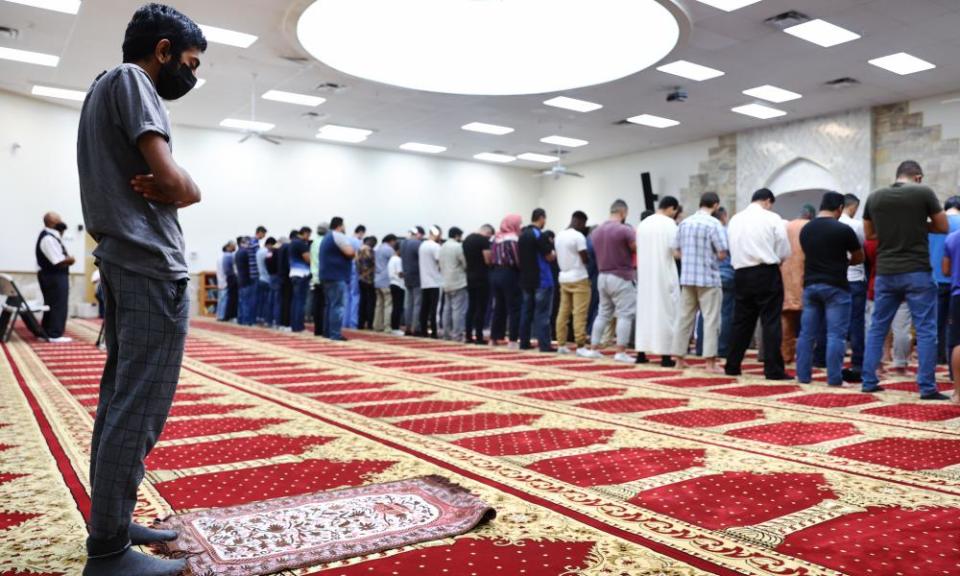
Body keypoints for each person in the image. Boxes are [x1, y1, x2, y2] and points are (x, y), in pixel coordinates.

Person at [76, 4, 205, 574]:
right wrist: (186, 187)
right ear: (162, 50)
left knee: (119, 402)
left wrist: (177, 187)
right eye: (189, 62)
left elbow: (170, 185)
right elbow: (179, 184)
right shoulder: (132, 80)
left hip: (127, 264)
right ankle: (107, 551)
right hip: (150, 266)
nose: (190, 75)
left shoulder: (101, 89)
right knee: (138, 410)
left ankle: (112, 518)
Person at [861, 161, 949, 399]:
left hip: (886, 273)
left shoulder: (875, 197)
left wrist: (892, 231)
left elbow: (869, 234)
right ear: (918, 177)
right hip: (917, 271)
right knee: (926, 329)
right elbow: (943, 226)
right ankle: (927, 387)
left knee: (877, 327)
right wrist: (917, 227)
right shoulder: (923, 192)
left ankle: (869, 380)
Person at [795, 192, 865, 386]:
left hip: (810, 286)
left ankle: (803, 375)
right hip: (836, 287)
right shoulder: (842, 229)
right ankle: (834, 378)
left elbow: (805, 255)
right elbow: (860, 257)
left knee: (807, 334)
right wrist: (846, 262)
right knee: (836, 335)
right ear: (840, 208)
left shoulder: (806, 229)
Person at [725, 188, 792, 380]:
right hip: (766, 272)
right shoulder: (772, 218)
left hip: (741, 273)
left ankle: (732, 365)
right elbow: (783, 249)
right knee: (770, 322)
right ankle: (773, 370)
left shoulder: (735, 219)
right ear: (768, 201)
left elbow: (731, 246)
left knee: (741, 322)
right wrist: (776, 258)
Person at [672, 193, 729, 373]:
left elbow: (675, 251)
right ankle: (710, 363)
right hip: (708, 279)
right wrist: (708, 258)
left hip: (688, 278)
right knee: (711, 320)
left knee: (684, 319)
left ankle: (679, 360)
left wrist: (690, 259)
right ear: (716, 205)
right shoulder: (714, 224)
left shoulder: (685, 223)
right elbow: (722, 252)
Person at [581, 199, 637, 362]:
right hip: (620, 275)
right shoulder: (624, 230)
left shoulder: (596, 231)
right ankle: (620, 351)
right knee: (625, 314)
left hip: (602, 276)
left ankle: (594, 348)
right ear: (623, 212)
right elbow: (635, 248)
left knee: (603, 313)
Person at [633, 197, 681, 366]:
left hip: (645, 276)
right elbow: (675, 252)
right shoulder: (669, 224)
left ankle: (641, 353)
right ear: (671, 208)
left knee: (645, 313)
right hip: (664, 275)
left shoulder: (643, 225)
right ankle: (666, 356)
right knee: (666, 314)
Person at [518, 209, 557, 352]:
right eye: (544, 219)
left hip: (526, 280)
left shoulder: (522, 235)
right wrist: (552, 248)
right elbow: (549, 257)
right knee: (542, 314)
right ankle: (545, 345)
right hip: (542, 280)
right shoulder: (539, 235)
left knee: (526, 312)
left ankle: (524, 342)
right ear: (541, 218)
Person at [780, 204, 814, 364]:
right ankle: (804, 358)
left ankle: (786, 355)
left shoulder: (786, 226)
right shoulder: (811, 227)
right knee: (807, 322)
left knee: (786, 319)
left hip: (785, 278)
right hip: (804, 278)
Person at [839, 194, 867, 382]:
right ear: (854, 206)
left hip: (839, 278)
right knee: (857, 322)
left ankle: (834, 361)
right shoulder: (856, 225)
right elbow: (862, 251)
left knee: (838, 323)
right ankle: (858, 361)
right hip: (856, 278)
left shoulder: (832, 224)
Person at [36, 212, 75, 342]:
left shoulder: (52, 236)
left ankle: (46, 332)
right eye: (58, 220)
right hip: (54, 276)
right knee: (58, 304)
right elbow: (57, 261)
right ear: (52, 222)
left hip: (51, 276)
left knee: (51, 304)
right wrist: (70, 260)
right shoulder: (48, 238)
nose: (61, 222)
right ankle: (54, 334)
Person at [555, 211, 590, 355]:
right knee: (579, 313)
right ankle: (580, 345)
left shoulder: (559, 235)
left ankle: (561, 344)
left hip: (563, 277)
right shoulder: (578, 236)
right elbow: (585, 258)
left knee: (563, 312)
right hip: (579, 277)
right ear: (581, 222)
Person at [930, 196, 960, 364]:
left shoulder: (932, 223)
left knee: (936, 322)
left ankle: (936, 357)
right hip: (956, 280)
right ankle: (953, 361)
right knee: (954, 324)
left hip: (934, 278)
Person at [319, 217, 356, 340]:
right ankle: (335, 334)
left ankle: (327, 332)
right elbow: (350, 252)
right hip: (336, 276)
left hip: (326, 276)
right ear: (340, 226)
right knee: (337, 306)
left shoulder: (326, 237)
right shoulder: (338, 235)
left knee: (330, 305)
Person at [490, 215, 523, 348]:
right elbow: (517, 259)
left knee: (498, 307)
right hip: (509, 274)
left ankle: (494, 338)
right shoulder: (513, 238)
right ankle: (513, 340)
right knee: (514, 307)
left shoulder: (495, 238)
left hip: (495, 273)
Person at [463, 224, 494, 344]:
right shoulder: (483, 241)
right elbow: (487, 260)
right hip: (482, 277)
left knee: (471, 307)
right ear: (487, 232)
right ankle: (479, 336)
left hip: (470, 276)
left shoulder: (467, 240)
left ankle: (468, 335)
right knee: (481, 308)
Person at [440, 227, 468, 341]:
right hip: (458, 282)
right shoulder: (457, 246)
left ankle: (446, 334)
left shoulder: (443, 246)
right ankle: (457, 335)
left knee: (447, 310)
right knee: (458, 310)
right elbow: (464, 263)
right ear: (457, 236)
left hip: (445, 281)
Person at [418, 226, 443, 338]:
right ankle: (434, 332)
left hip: (424, 281)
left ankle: (423, 330)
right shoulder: (436, 246)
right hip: (435, 282)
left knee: (424, 308)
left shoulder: (422, 245)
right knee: (434, 309)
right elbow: (440, 262)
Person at [288, 226, 312, 333]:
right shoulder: (301, 244)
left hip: (293, 273)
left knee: (295, 301)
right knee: (301, 302)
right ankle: (299, 327)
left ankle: (294, 325)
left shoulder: (292, 243)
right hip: (302, 274)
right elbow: (308, 259)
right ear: (305, 233)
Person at [401, 227, 424, 335]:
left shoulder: (403, 244)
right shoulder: (417, 244)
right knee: (417, 304)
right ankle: (416, 328)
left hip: (407, 276)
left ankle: (408, 327)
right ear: (418, 234)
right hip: (417, 276)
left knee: (409, 303)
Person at [374, 234, 399, 332]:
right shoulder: (389, 250)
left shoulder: (378, 249)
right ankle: (387, 326)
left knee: (379, 304)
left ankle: (377, 325)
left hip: (377, 280)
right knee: (388, 304)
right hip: (385, 280)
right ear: (391, 241)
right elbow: (395, 261)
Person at [343, 225, 365, 329]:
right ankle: (353, 323)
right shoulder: (359, 242)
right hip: (355, 270)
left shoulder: (346, 240)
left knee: (346, 297)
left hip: (346, 270)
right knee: (355, 296)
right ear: (361, 232)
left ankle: (344, 322)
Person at [310, 222, 329, 336]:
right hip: (324, 276)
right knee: (325, 304)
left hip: (315, 276)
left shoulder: (314, 242)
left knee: (317, 304)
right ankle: (324, 330)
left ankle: (318, 330)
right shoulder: (325, 242)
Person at [234, 236, 257, 326]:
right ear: (244, 243)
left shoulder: (238, 252)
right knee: (247, 301)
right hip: (246, 280)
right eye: (248, 243)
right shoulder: (245, 252)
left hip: (240, 279)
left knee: (242, 301)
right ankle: (247, 320)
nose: (249, 245)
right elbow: (249, 267)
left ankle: (241, 319)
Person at [276, 230, 295, 330]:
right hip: (287, 278)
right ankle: (286, 323)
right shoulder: (288, 247)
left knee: (282, 301)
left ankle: (281, 323)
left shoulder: (280, 248)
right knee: (288, 301)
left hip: (281, 277)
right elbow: (288, 264)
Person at [357, 235, 377, 329]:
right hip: (369, 279)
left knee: (362, 301)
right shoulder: (370, 250)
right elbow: (374, 263)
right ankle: (369, 323)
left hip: (360, 278)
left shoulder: (359, 249)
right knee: (370, 302)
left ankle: (360, 323)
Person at [215, 240, 235, 321]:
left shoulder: (220, 257)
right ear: (228, 247)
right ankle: (222, 316)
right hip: (225, 280)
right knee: (224, 300)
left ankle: (219, 315)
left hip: (220, 280)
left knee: (221, 300)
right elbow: (227, 271)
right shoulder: (228, 256)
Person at [388, 243, 405, 334]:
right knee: (398, 307)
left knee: (395, 306)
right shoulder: (398, 260)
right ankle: (395, 328)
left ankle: (394, 327)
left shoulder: (391, 259)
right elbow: (400, 273)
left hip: (392, 283)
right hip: (398, 284)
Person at [255, 235, 272, 324]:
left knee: (260, 300)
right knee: (267, 301)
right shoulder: (267, 252)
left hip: (260, 277)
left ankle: (258, 317)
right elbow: (269, 263)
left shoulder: (258, 251)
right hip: (267, 279)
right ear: (269, 244)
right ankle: (265, 318)